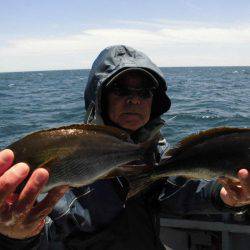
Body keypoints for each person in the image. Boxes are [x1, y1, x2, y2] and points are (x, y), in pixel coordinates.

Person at [0, 45, 250, 249]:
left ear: (155, 100)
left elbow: (176, 190)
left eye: (144, 91)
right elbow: (43, 233)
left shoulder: (154, 152)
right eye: (121, 90)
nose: (134, 99)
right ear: (99, 97)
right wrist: (17, 235)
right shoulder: (71, 158)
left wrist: (225, 196)